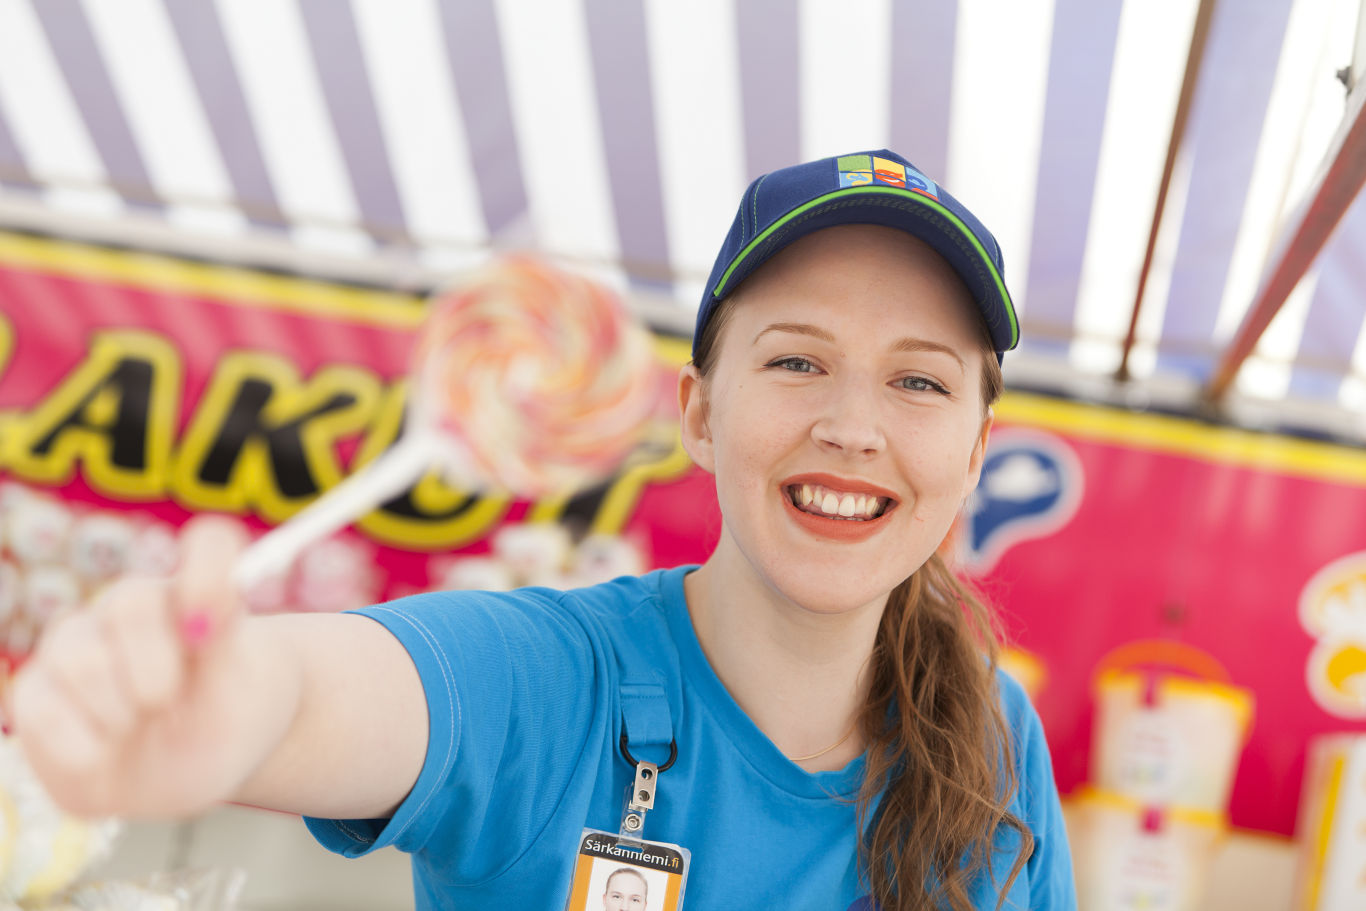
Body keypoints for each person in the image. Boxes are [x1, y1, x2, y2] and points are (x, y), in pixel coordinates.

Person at [10, 149, 1076, 910]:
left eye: (917, 380)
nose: (851, 428)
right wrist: (232, 700)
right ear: (700, 413)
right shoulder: (555, 680)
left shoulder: (994, 741)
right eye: (795, 361)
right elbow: (339, 690)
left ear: (975, 452)